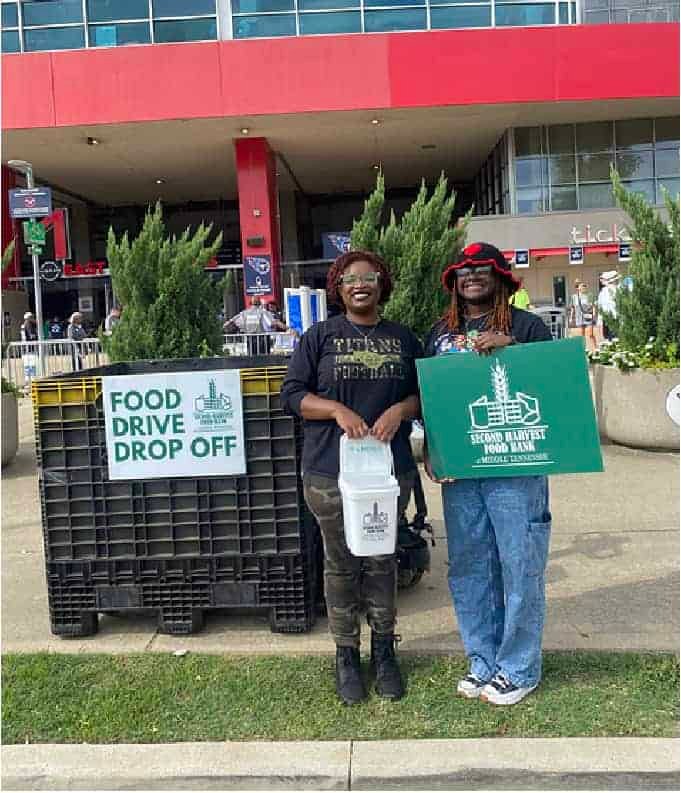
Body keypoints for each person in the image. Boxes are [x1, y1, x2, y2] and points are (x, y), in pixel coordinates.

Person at [281, 250, 422, 705]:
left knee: (382, 560)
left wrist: (401, 410)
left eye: (369, 278)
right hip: (329, 471)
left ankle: (384, 651)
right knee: (340, 564)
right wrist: (336, 409)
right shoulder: (319, 337)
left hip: (387, 472)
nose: (360, 285)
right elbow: (292, 395)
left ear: (383, 285)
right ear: (338, 290)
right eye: (349, 279)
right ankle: (346, 653)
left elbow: (426, 393)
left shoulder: (403, 338)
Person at [424, 241, 553, 706]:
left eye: (481, 268)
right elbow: (432, 399)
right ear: (454, 282)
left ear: (500, 276)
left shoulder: (529, 326)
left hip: (515, 466)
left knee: (519, 563)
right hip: (461, 471)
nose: (472, 275)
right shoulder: (439, 333)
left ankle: (519, 667)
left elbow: (554, 388)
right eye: (462, 270)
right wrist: (432, 450)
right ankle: (482, 659)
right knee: (471, 566)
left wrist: (513, 351)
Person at [568, 280, 597, 352]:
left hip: (588, 316)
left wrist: (594, 314)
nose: (584, 287)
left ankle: (595, 348)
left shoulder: (589, 295)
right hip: (579, 317)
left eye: (585, 286)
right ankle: (583, 349)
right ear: (578, 288)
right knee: (581, 335)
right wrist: (571, 318)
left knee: (590, 333)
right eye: (582, 286)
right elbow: (572, 307)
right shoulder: (574, 297)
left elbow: (593, 306)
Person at [596, 271, 619, 342]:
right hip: (608, 320)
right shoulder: (603, 292)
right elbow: (601, 308)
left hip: (614, 319)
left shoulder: (617, 290)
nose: (601, 281)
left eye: (602, 279)